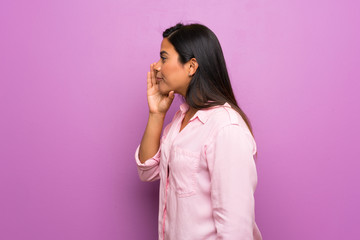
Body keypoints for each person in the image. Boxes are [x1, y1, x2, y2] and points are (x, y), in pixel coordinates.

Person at [134, 22, 262, 240]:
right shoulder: (180, 121)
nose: (156, 66)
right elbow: (147, 172)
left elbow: (236, 230)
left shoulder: (226, 128)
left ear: (192, 66)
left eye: (164, 58)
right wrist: (156, 114)